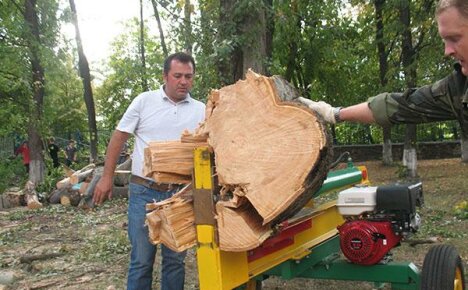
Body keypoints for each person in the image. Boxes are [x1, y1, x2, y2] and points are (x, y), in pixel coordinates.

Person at [93, 52, 205, 290]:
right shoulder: (144, 101)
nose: (183, 81)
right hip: (144, 192)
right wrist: (106, 177)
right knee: (142, 261)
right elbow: (118, 138)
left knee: (175, 260)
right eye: (177, 76)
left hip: (180, 195)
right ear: (165, 76)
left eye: (188, 76)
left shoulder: (201, 110)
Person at [299, 0, 468, 130]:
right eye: (445, 41)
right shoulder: (458, 89)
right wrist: (332, 113)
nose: (447, 51)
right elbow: (397, 105)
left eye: (454, 39)